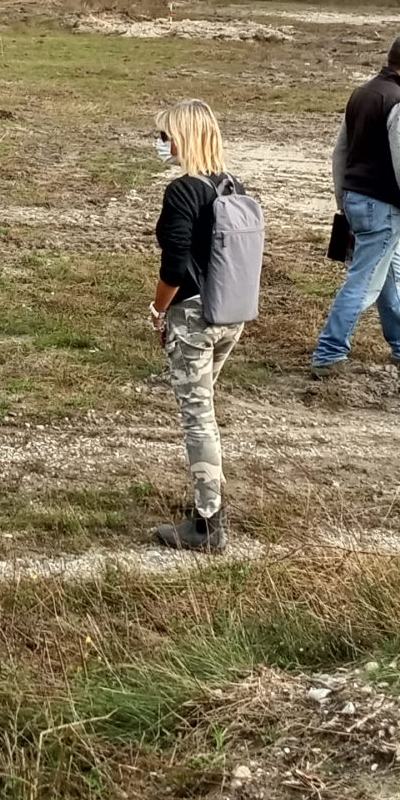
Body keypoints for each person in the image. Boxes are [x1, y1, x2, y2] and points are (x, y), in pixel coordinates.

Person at [150, 99, 255, 552]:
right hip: (230, 312)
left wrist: (158, 310)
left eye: (165, 135)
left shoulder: (182, 191)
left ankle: (208, 521)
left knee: (198, 418)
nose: (161, 143)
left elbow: (174, 267)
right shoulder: (232, 186)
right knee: (205, 409)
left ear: (182, 138)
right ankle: (206, 497)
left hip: (193, 316)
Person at [311, 32, 400, 381]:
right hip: (381, 210)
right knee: (363, 282)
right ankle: (328, 353)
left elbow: (339, 152)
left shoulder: (361, 94)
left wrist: (343, 199)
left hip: (356, 201)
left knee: (387, 277)